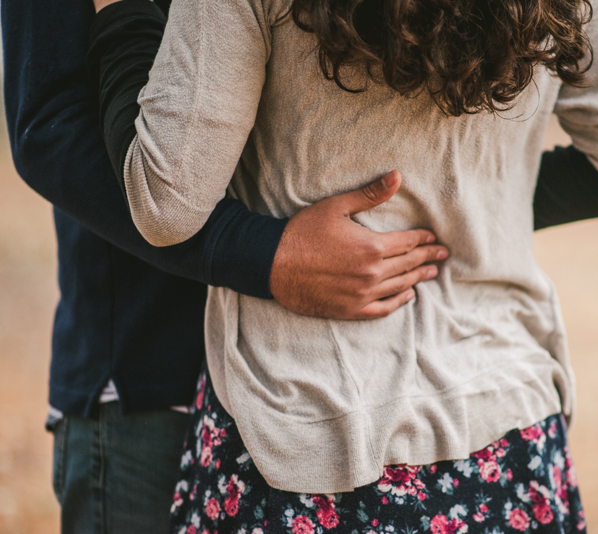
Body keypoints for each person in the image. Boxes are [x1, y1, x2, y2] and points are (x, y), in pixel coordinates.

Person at [86, 0, 598, 531]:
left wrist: (121, 12)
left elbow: (166, 202)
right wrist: (477, 209)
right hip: (511, 438)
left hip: (310, 447)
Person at [0, 1, 452, 533]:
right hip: (155, 378)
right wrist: (264, 253)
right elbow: (50, 127)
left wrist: (468, 213)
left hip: (345, 384)